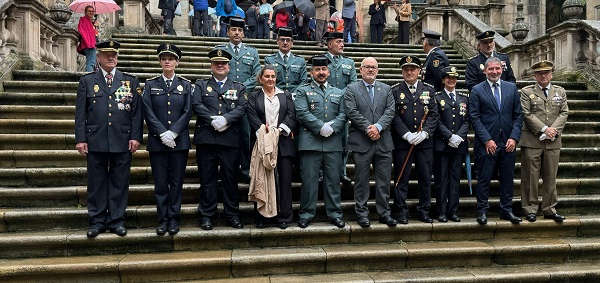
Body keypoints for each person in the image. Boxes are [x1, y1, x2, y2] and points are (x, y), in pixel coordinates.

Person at [75, 40, 143, 237]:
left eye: (114, 54)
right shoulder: (88, 81)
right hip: (95, 139)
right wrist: (81, 139)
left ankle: (116, 220)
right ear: (98, 57)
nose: (111, 57)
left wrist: (136, 136)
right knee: (96, 182)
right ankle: (96, 221)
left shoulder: (130, 81)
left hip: (122, 139)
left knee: (119, 181)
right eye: (106, 54)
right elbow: (81, 113)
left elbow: (137, 113)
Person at [192, 48, 247, 230]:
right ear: (211, 66)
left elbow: (242, 107)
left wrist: (226, 119)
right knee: (207, 179)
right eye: (216, 63)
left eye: (223, 63)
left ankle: (232, 214)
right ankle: (207, 215)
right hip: (207, 139)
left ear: (228, 67)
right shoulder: (201, 85)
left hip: (230, 140)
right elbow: (196, 104)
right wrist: (211, 120)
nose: (220, 65)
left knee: (230, 179)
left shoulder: (239, 87)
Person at [142, 43, 192, 235]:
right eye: (164, 59)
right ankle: (162, 219)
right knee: (161, 183)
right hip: (157, 142)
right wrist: (163, 133)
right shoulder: (151, 84)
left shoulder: (186, 85)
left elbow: (188, 111)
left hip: (179, 142)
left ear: (177, 62)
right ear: (160, 62)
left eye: (171, 59)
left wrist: (174, 132)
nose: (167, 62)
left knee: (176, 182)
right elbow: (147, 110)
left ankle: (174, 219)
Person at [344, 57, 397, 228]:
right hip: (362, 142)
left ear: (378, 70)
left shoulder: (387, 89)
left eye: (374, 67)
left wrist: (379, 127)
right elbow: (351, 111)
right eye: (367, 67)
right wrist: (369, 128)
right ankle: (362, 213)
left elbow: (390, 111)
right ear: (360, 69)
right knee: (361, 180)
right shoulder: (352, 89)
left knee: (384, 181)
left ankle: (384, 213)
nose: (371, 70)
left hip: (383, 142)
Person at [469, 56, 523, 225]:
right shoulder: (477, 90)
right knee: (484, 178)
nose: (494, 72)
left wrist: (514, 137)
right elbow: (475, 118)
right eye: (491, 69)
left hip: (508, 142)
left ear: (502, 69)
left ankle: (506, 210)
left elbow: (518, 115)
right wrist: (486, 140)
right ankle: (482, 211)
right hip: (487, 143)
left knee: (507, 178)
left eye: (497, 69)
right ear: (484, 71)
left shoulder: (511, 88)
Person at [294, 55, 347, 229]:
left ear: (329, 71)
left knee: (332, 181)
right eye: (317, 69)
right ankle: (306, 213)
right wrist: (320, 127)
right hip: (310, 143)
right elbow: (301, 112)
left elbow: (344, 114)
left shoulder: (339, 92)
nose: (321, 72)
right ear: (311, 72)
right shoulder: (303, 91)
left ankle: (334, 213)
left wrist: (333, 128)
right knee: (309, 181)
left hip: (333, 143)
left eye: (324, 69)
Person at [247, 65, 297, 229]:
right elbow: (252, 115)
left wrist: (281, 129)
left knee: (284, 180)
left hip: (283, 142)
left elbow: (291, 115)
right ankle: (262, 217)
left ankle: (284, 216)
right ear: (261, 79)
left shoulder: (285, 95)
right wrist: (264, 130)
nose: (270, 79)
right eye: (266, 76)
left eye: (273, 76)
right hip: (262, 142)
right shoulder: (254, 96)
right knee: (263, 179)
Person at [390, 55, 439, 224]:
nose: (409, 72)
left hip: (424, 143)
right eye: (406, 69)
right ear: (402, 71)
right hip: (403, 142)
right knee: (401, 177)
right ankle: (400, 210)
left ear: (419, 71)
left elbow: (433, 114)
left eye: (412, 69)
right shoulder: (395, 90)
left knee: (425, 178)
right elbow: (393, 116)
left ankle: (424, 210)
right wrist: (406, 134)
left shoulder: (429, 89)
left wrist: (425, 133)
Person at [520, 60, 568, 222]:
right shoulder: (527, 92)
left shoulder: (559, 92)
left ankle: (549, 208)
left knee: (550, 176)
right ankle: (530, 208)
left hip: (553, 140)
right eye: (540, 73)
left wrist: (553, 130)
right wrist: (543, 129)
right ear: (535, 75)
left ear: (551, 74)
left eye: (546, 72)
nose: (543, 75)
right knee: (530, 176)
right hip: (532, 139)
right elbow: (526, 114)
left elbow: (564, 113)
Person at [218, 17, 261, 182]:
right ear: (228, 31)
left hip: (244, 99)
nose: (237, 33)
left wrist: (240, 88)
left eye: (240, 30)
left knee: (245, 134)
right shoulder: (220, 49)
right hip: (224, 99)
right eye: (233, 30)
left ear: (243, 33)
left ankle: (245, 168)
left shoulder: (252, 52)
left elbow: (256, 75)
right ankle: (226, 170)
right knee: (225, 135)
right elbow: (218, 71)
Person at [432, 66, 469, 223]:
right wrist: (449, 136)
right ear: (443, 80)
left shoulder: (464, 98)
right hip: (442, 144)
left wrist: (458, 137)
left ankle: (453, 210)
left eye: (454, 78)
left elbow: (468, 120)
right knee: (441, 178)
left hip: (459, 145)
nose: (451, 80)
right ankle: (441, 211)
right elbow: (436, 120)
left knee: (455, 179)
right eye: (448, 78)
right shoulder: (437, 97)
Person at [323, 31, 357, 186]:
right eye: (338, 42)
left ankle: (342, 172)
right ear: (330, 44)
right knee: (324, 141)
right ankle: (322, 172)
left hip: (343, 108)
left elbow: (353, 85)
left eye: (342, 41)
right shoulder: (322, 61)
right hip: (324, 106)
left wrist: (340, 96)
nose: (342, 44)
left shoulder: (349, 63)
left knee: (344, 142)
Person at [264, 27, 307, 95]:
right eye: (282, 40)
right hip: (275, 96)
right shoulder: (269, 60)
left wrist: (294, 94)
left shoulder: (300, 61)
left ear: (292, 42)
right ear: (277, 41)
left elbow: (304, 81)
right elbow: (268, 80)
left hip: (295, 96)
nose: (285, 43)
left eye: (288, 40)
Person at [77, 5, 98, 72]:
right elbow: (83, 32)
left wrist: (94, 26)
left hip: (92, 44)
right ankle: (88, 78)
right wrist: (89, 43)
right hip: (89, 44)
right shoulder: (83, 20)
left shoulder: (90, 22)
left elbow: (94, 34)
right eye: (89, 11)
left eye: (92, 11)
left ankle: (88, 77)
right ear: (85, 12)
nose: (91, 12)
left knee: (92, 62)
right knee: (91, 63)